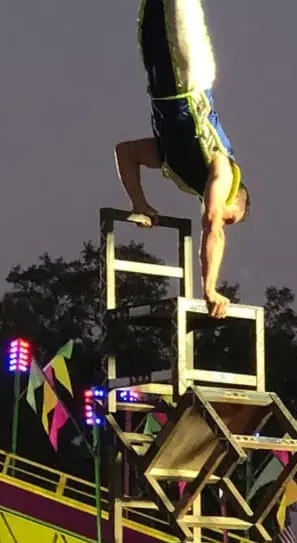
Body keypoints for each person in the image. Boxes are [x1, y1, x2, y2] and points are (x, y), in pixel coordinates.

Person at [115, 0, 250, 319]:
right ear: (239, 200)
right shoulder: (225, 171)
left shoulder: (178, 168)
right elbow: (212, 224)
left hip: (160, 82)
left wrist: (140, 203)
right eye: (231, 219)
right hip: (193, 75)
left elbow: (126, 153)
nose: (221, 220)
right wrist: (210, 288)